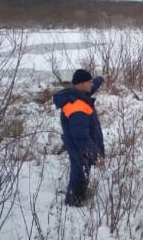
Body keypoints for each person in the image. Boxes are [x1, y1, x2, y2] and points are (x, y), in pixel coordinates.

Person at [53, 69, 105, 207]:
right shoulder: (76, 107)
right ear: (81, 84)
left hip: (80, 145)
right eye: (89, 82)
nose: (91, 84)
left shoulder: (79, 94)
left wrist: (101, 79)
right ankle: (73, 203)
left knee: (82, 170)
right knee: (80, 174)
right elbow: (81, 137)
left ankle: (75, 199)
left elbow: (93, 86)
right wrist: (96, 154)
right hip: (79, 147)